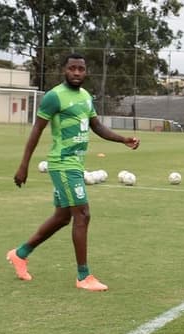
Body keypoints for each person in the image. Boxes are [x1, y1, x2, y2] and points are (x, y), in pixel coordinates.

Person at [7, 52, 140, 292]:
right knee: (83, 215)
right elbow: (36, 131)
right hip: (63, 163)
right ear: (64, 70)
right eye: (72, 68)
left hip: (76, 163)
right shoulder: (54, 97)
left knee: (62, 217)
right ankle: (83, 276)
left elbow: (96, 126)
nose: (77, 73)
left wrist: (123, 140)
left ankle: (20, 254)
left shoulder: (86, 97)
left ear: (86, 71)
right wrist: (24, 164)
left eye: (81, 69)